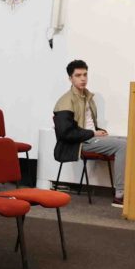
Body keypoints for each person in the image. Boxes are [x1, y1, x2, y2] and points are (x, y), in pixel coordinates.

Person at [51, 60, 126, 208]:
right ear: (70, 78)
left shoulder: (87, 97)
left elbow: (86, 123)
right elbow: (66, 133)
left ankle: (134, 188)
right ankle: (120, 195)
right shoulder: (65, 101)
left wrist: (98, 131)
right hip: (80, 143)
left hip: (90, 137)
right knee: (123, 146)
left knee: (130, 140)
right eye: (78, 75)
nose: (83, 78)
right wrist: (93, 133)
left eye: (85, 74)